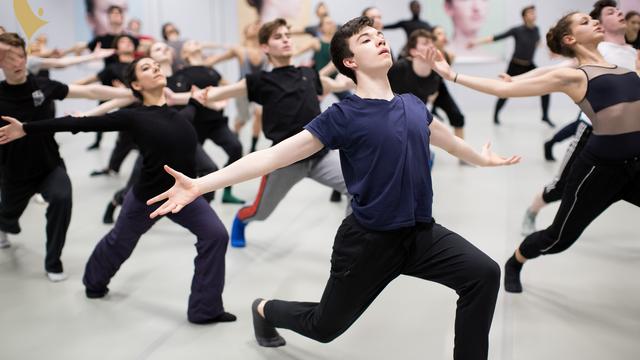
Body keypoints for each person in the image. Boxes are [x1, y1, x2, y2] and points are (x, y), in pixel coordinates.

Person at [146, 16, 519, 359]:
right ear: (350, 62)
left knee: (483, 274)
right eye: (365, 39)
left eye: (379, 35)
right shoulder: (344, 115)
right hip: (369, 244)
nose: (379, 40)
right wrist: (200, 184)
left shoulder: (413, 105)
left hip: (421, 233)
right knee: (324, 328)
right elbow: (272, 156)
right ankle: (265, 309)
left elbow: (448, 142)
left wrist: (481, 159)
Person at [0, 57, 236, 325]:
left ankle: (205, 310)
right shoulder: (134, 117)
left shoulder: (175, 114)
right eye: (146, 68)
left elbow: (185, 118)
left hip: (184, 194)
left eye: (155, 65)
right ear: (136, 84)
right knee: (120, 242)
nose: (156, 68)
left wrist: (194, 102)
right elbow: (77, 124)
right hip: (148, 197)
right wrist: (27, 129)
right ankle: (94, 281)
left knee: (216, 236)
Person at [424, 11, 640, 294]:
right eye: (585, 21)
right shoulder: (574, 76)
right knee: (559, 238)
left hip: (634, 165)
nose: (595, 21)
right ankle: (515, 261)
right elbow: (504, 88)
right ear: (570, 38)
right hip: (599, 171)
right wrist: (452, 74)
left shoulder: (624, 68)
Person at [175, 19, 353, 248]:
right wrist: (177, 98)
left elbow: (338, 86)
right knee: (260, 212)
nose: (286, 39)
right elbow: (218, 93)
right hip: (284, 160)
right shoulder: (260, 80)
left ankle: (352, 241)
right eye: (278, 37)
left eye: (287, 35)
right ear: (265, 48)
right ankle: (241, 220)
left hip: (321, 156)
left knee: (358, 188)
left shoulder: (308, 74)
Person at [0, 33, 132, 280]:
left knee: (62, 197)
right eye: (8, 57)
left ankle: (53, 261)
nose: (16, 62)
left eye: (20, 56)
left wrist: (129, 94)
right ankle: (5, 225)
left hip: (49, 165)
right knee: (7, 215)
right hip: (13, 172)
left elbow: (90, 91)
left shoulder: (43, 85)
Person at [519, 0, 638, 236]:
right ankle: (532, 211)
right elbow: (552, 72)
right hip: (591, 129)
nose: (620, 14)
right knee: (561, 187)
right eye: (611, 12)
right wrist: (516, 80)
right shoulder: (597, 49)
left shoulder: (633, 53)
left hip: (624, 134)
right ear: (600, 23)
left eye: (618, 10)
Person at [179, 40, 245, 204]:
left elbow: (229, 87)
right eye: (190, 44)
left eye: (196, 42)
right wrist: (213, 103)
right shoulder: (181, 75)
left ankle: (227, 192)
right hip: (193, 125)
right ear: (184, 54)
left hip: (216, 123)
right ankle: (194, 198)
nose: (194, 44)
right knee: (192, 164)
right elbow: (188, 96)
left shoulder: (211, 71)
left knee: (236, 148)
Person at [468, 5, 553, 126]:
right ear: (524, 17)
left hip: (529, 65)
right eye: (530, 13)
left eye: (534, 13)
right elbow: (496, 37)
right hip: (515, 65)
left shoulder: (536, 30)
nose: (533, 15)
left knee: (546, 86)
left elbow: (538, 43)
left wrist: (550, 51)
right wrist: (475, 42)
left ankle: (545, 116)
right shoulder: (517, 30)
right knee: (504, 91)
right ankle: (496, 115)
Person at [205, 20, 267, 153]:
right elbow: (215, 60)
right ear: (245, 32)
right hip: (242, 88)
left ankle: (253, 147)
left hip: (262, 87)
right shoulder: (239, 49)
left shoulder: (266, 49)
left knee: (259, 114)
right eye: (252, 26)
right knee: (243, 119)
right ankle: (236, 134)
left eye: (258, 26)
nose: (256, 27)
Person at [431, 25, 466, 141]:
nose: (443, 36)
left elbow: (442, 76)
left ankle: (463, 154)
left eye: (444, 33)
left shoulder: (449, 55)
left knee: (458, 117)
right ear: (432, 37)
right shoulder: (426, 54)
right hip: (421, 89)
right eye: (439, 33)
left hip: (439, 88)